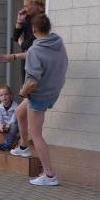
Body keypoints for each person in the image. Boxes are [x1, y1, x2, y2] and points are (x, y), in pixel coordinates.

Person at [10, 14, 68, 186]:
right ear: (49, 28)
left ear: (34, 30)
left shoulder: (36, 50)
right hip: (51, 91)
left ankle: (50, 176)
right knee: (20, 112)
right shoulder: (57, 44)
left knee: (36, 135)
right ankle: (23, 147)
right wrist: (15, 56)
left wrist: (22, 92)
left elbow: (33, 81)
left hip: (38, 95)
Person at [0, 0, 46, 64]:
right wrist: (19, 21)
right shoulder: (27, 18)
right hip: (26, 59)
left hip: (37, 61)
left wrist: (21, 43)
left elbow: (28, 44)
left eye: (26, 6)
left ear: (35, 5)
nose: (24, 8)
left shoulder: (42, 20)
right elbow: (16, 37)